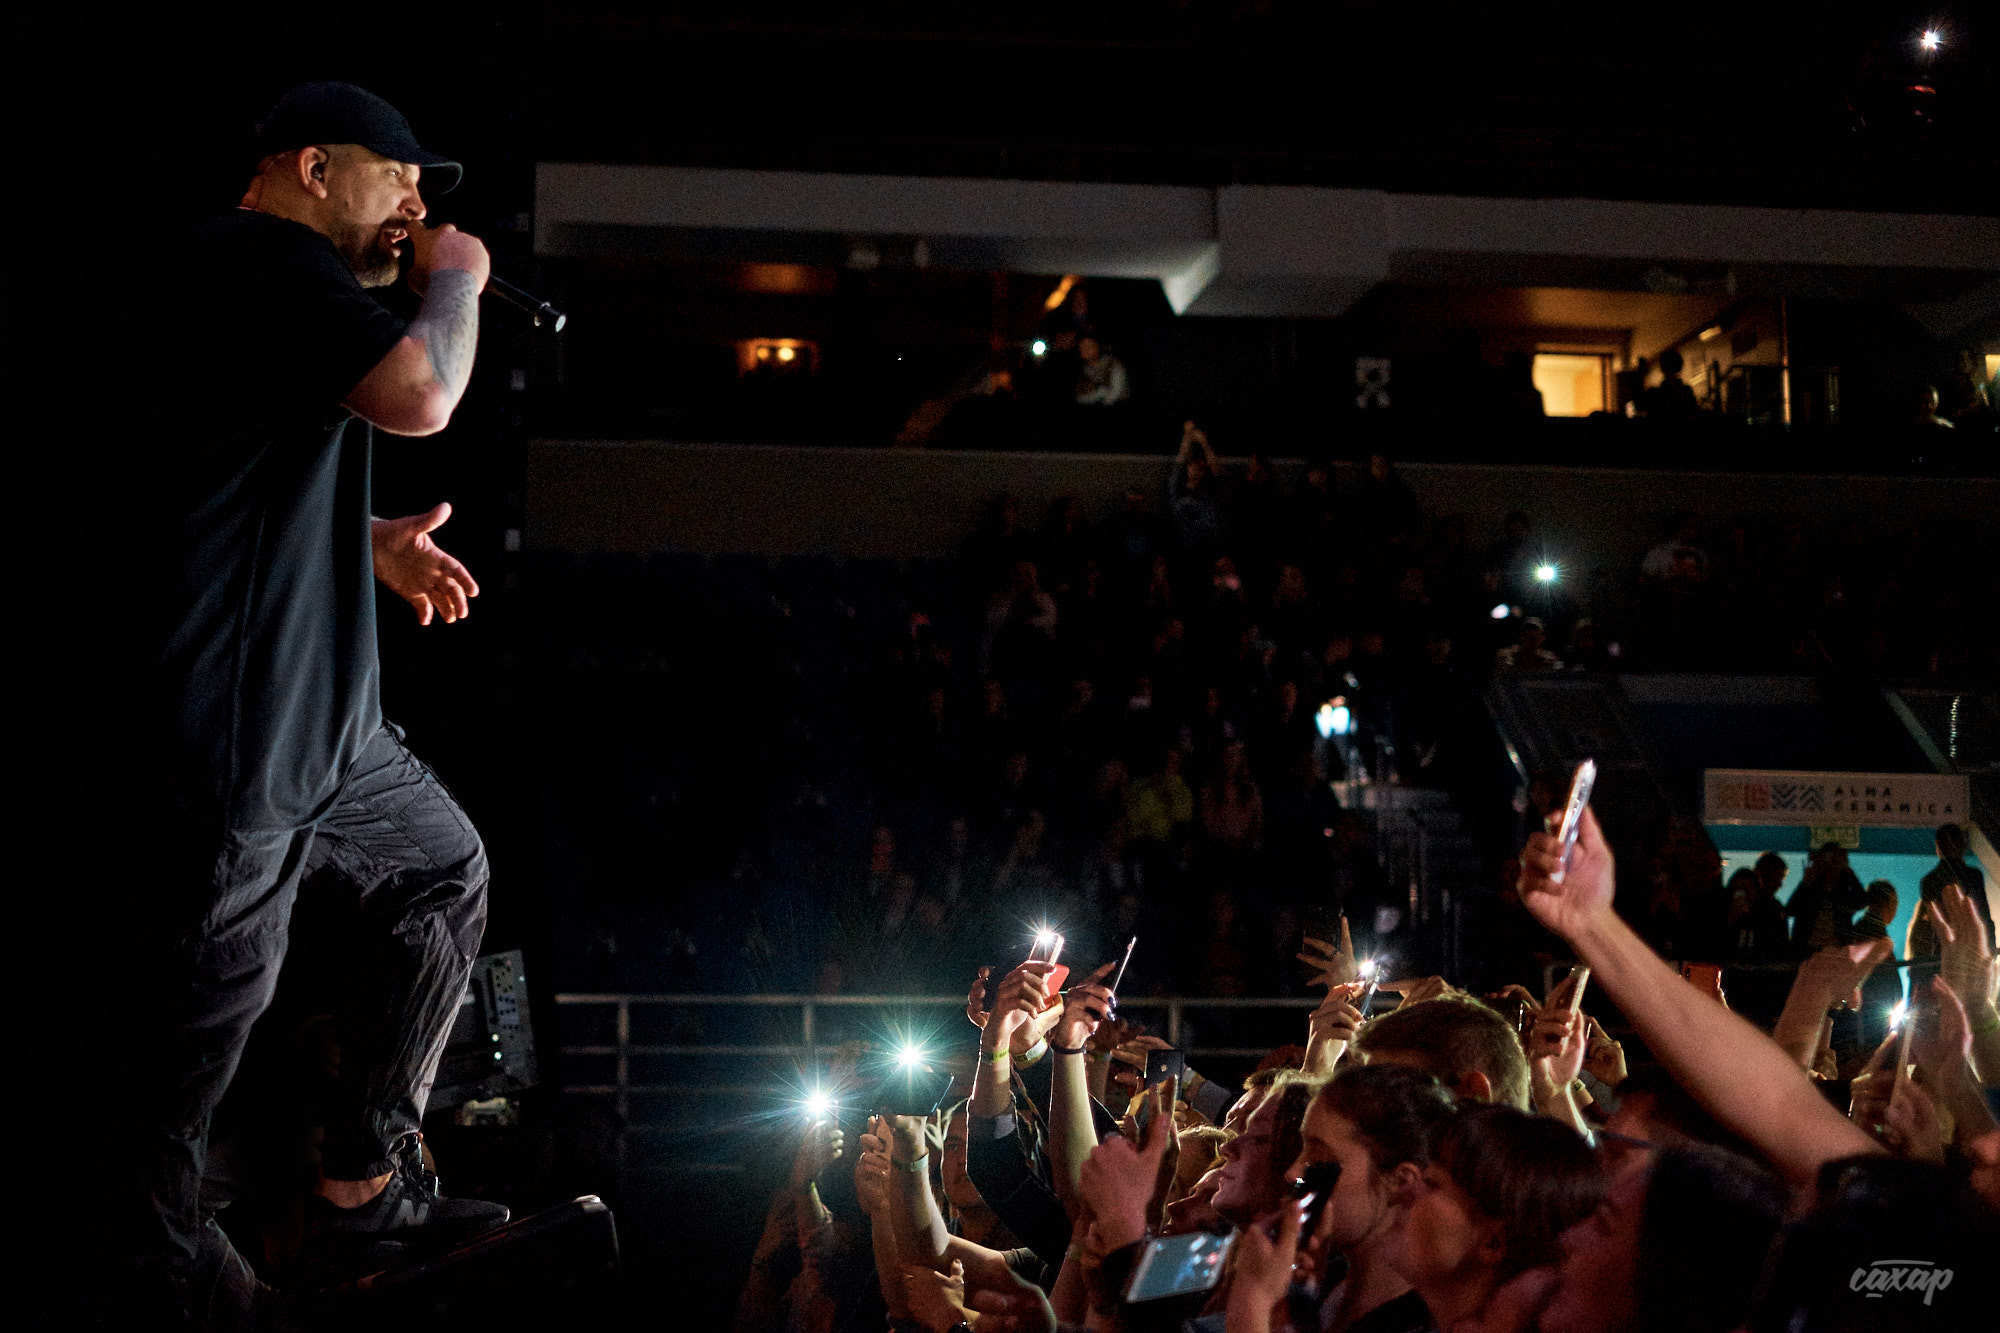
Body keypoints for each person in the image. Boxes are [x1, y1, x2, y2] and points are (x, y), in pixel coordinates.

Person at [104, 82, 505, 1320]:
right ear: (316, 168)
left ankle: (354, 1184)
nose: (420, 209)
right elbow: (423, 395)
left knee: (443, 872)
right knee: (160, 1127)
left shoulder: (284, 287)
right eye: (403, 179)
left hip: (321, 733)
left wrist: (364, 538)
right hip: (235, 755)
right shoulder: (254, 257)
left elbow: (228, 467)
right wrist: (463, 278)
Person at [1910, 823, 1990, 960]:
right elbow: (1984, 916)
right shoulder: (1974, 876)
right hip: (1973, 951)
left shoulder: (1929, 880)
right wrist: (1990, 949)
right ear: (1962, 846)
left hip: (1942, 954)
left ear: (1938, 847)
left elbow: (1930, 926)